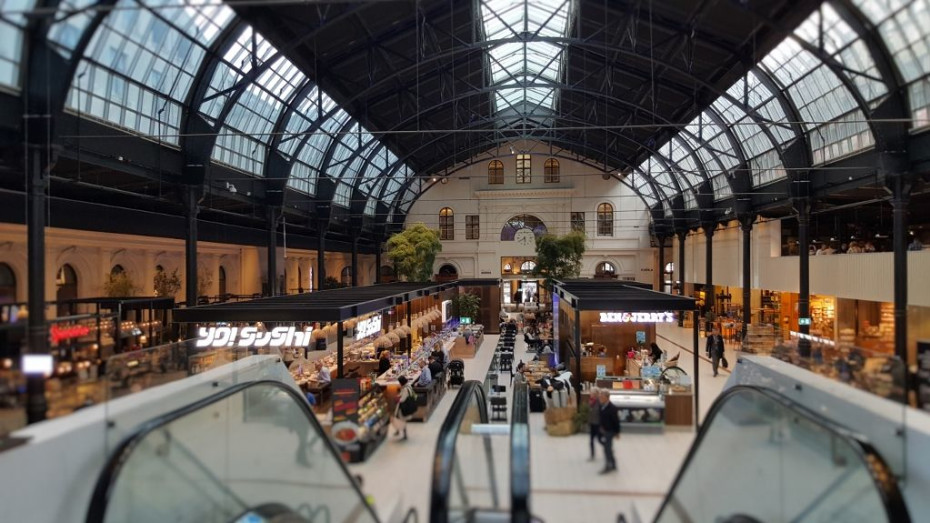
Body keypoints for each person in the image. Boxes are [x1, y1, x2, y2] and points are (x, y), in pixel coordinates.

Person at [597, 390, 620, 474]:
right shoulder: (601, 406)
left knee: (607, 450)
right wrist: (601, 426)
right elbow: (601, 417)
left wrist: (617, 432)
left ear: (607, 398)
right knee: (608, 449)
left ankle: (608, 466)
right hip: (604, 429)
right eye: (600, 397)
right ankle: (613, 464)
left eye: (602, 397)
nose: (600, 398)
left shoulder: (612, 408)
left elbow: (616, 421)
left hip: (610, 431)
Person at [392, 376, 414, 440]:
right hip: (405, 405)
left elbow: (403, 399)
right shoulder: (408, 386)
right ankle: (398, 431)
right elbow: (401, 394)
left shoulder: (405, 389)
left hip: (403, 406)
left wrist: (396, 399)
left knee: (401, 420)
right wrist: (398, 396)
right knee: (398, 419)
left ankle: (404, 434)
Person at [587, 388, 601, 462]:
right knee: (591, 440)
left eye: (591, 393)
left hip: (598, 424)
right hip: (592, 423)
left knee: (599, 440)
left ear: (595, 394)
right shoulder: (591, 401)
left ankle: (608, 449)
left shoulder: (599, 402)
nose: (590, 394)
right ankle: (592, 455)